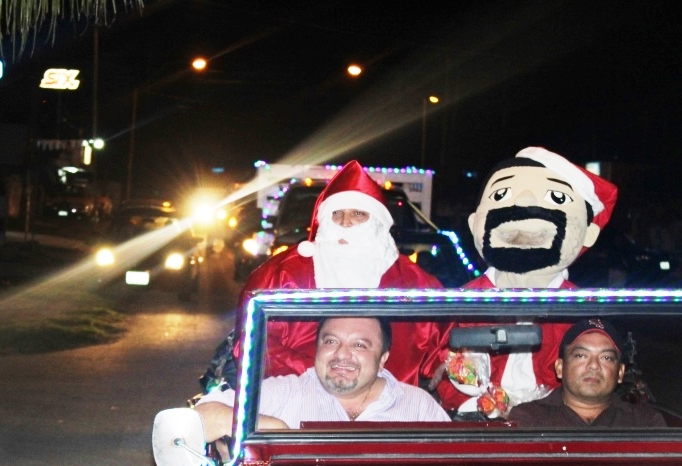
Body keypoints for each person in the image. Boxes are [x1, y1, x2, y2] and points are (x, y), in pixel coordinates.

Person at [433, 147, 620, 415]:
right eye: (501, 195)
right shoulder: (461, 301)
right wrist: (470, 402)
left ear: (588, 233)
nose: (523, 203)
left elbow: (595, 380)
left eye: (556, 197)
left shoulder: (582, 309)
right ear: (475, 223)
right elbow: (434, 362)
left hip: (555, 431)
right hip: (473, 427)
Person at [233, 160, 445, 387]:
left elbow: (443, 352)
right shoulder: (283, 273)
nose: (345, 222)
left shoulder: (414, 282)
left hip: (389, 410)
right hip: (297, 399)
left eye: (358, 213)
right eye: (337, 214)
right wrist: (322, 376)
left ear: (378, 222)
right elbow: (252, 343)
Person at [196, 317, 449, 442]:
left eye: (360, 345)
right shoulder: (287, 392)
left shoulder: (419, 406)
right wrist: (275, 428)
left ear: (383, 358)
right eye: (330, 341)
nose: (342, 354)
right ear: (316, 349)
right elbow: (199, 418)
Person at [507, 318, 666, 428]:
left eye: (606, 357)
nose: (594, 366)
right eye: (581, 356)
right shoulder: (530, 418)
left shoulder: (644, 423)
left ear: (620, 373)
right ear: (560, 368)